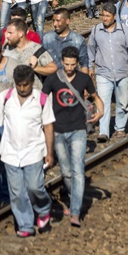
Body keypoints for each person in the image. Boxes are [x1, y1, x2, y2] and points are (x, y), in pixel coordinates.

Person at [0, 67, 55, 238]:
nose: (22, 88)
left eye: (25, 85)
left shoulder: (41, 99)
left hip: (34, 151)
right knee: (17, 192)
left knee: (34, 187)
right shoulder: (5, 98)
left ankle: (43, 210)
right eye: (19, 85)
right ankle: (26, 224)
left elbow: (48, 126)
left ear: (32, 83)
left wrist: (49, 152)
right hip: (11, 152)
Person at [43, 46, 102, 227]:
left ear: (77, 64)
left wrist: (101, 111)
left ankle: (75, 211)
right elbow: (42, 102)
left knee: (78, 170)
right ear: (62, 62)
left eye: (72, 65)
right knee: (66, 172)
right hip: (58, 130)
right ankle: (74, 197)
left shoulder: (84, 78)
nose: (69, 68)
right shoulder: (52, 79)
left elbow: (95, 97)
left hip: (78, 130)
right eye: (67, 64)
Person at [88, 4, 128, 142]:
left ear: (114, 17)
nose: (104, 18)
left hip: (122, 72)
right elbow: (91, 49)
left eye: (107, 16)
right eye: (103, 15)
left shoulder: (124, 30)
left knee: (122, 102)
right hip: (103, 72)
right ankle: (104, 132)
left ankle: (120, 127)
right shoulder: (96, 30)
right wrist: (90, 66)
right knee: (103, 102)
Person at [42, 8, 90, 75]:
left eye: (58, 21)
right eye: (53, 21)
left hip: (71, 80)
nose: (55, 24)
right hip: (51, 80)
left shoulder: (78, 40)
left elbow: (84, 64)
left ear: (67, 21)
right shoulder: (46, 38)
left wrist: (85, 83)